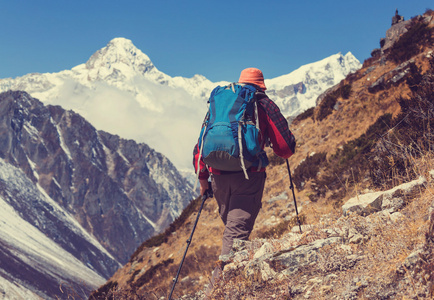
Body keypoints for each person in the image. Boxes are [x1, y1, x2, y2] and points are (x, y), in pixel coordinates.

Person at [192, 67, 296, 292]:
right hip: (248, 178)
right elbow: (285, 149)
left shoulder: (221, 103)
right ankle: (215, 292)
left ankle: (235, 281)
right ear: (261, 85)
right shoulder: (264, 104)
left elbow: (201, 143)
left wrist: (203, 179)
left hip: (218, 178)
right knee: (235, 237)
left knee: (233, 232)